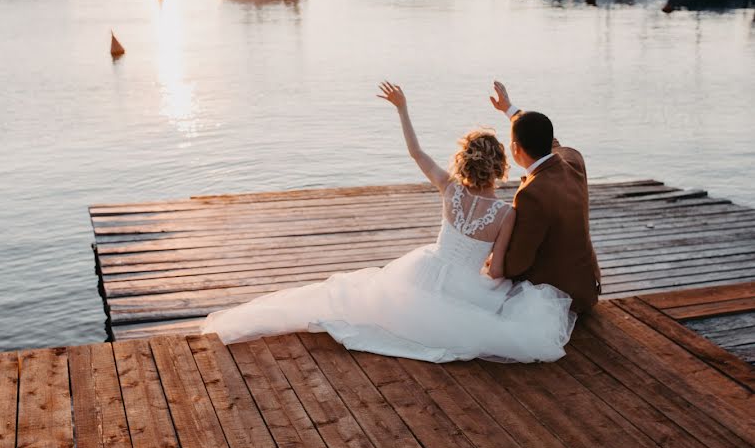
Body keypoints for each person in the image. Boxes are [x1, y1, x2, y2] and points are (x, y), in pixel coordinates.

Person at [201, 82, 576, 363]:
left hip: (424, 272)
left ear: (463, 162)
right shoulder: (507, 213)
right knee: (496, 313)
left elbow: (416, 152)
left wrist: (402, 108)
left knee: (358, 296)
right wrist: (487, 279)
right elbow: (495, 272)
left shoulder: (449, 190)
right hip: (466, 285)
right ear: (500, 165)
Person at [489, 81, 601, 312]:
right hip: (586, 287)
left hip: (558, 298)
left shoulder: (532, 194)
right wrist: (509, 110)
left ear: (515, 148)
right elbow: (550, 139)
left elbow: (518, 261)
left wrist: (491, 263)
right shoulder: (573, 159)